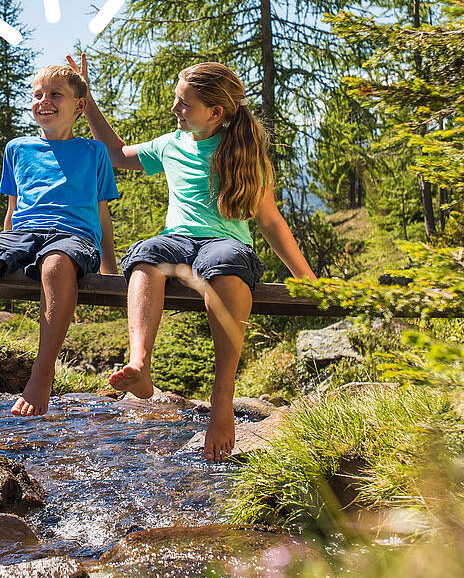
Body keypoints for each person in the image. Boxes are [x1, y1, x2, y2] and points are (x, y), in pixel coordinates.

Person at [66, 55, 317, 460]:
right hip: (176, 241)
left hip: (224, 243)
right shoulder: (169, 144)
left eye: (184, 103)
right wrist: (88, 100)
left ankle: (222, 399)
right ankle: (140, 363)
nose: (175, 109)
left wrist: (304, 276)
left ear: (215, 113)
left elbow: (269, 220)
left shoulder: (243, 150)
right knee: (145, 255)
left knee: (227, 268)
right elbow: (114, 153)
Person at [0, 64, 120, 417]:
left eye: (56, 94)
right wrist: (3, 254)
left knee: (57, 263)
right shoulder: (17, 149)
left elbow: (102, 214)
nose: (45, 101)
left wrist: (109, 266)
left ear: (79, 106)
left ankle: (42, 374)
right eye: (38, 94)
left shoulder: (94, 153)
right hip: (25, 235)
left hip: (73, 237)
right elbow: (12, 211)